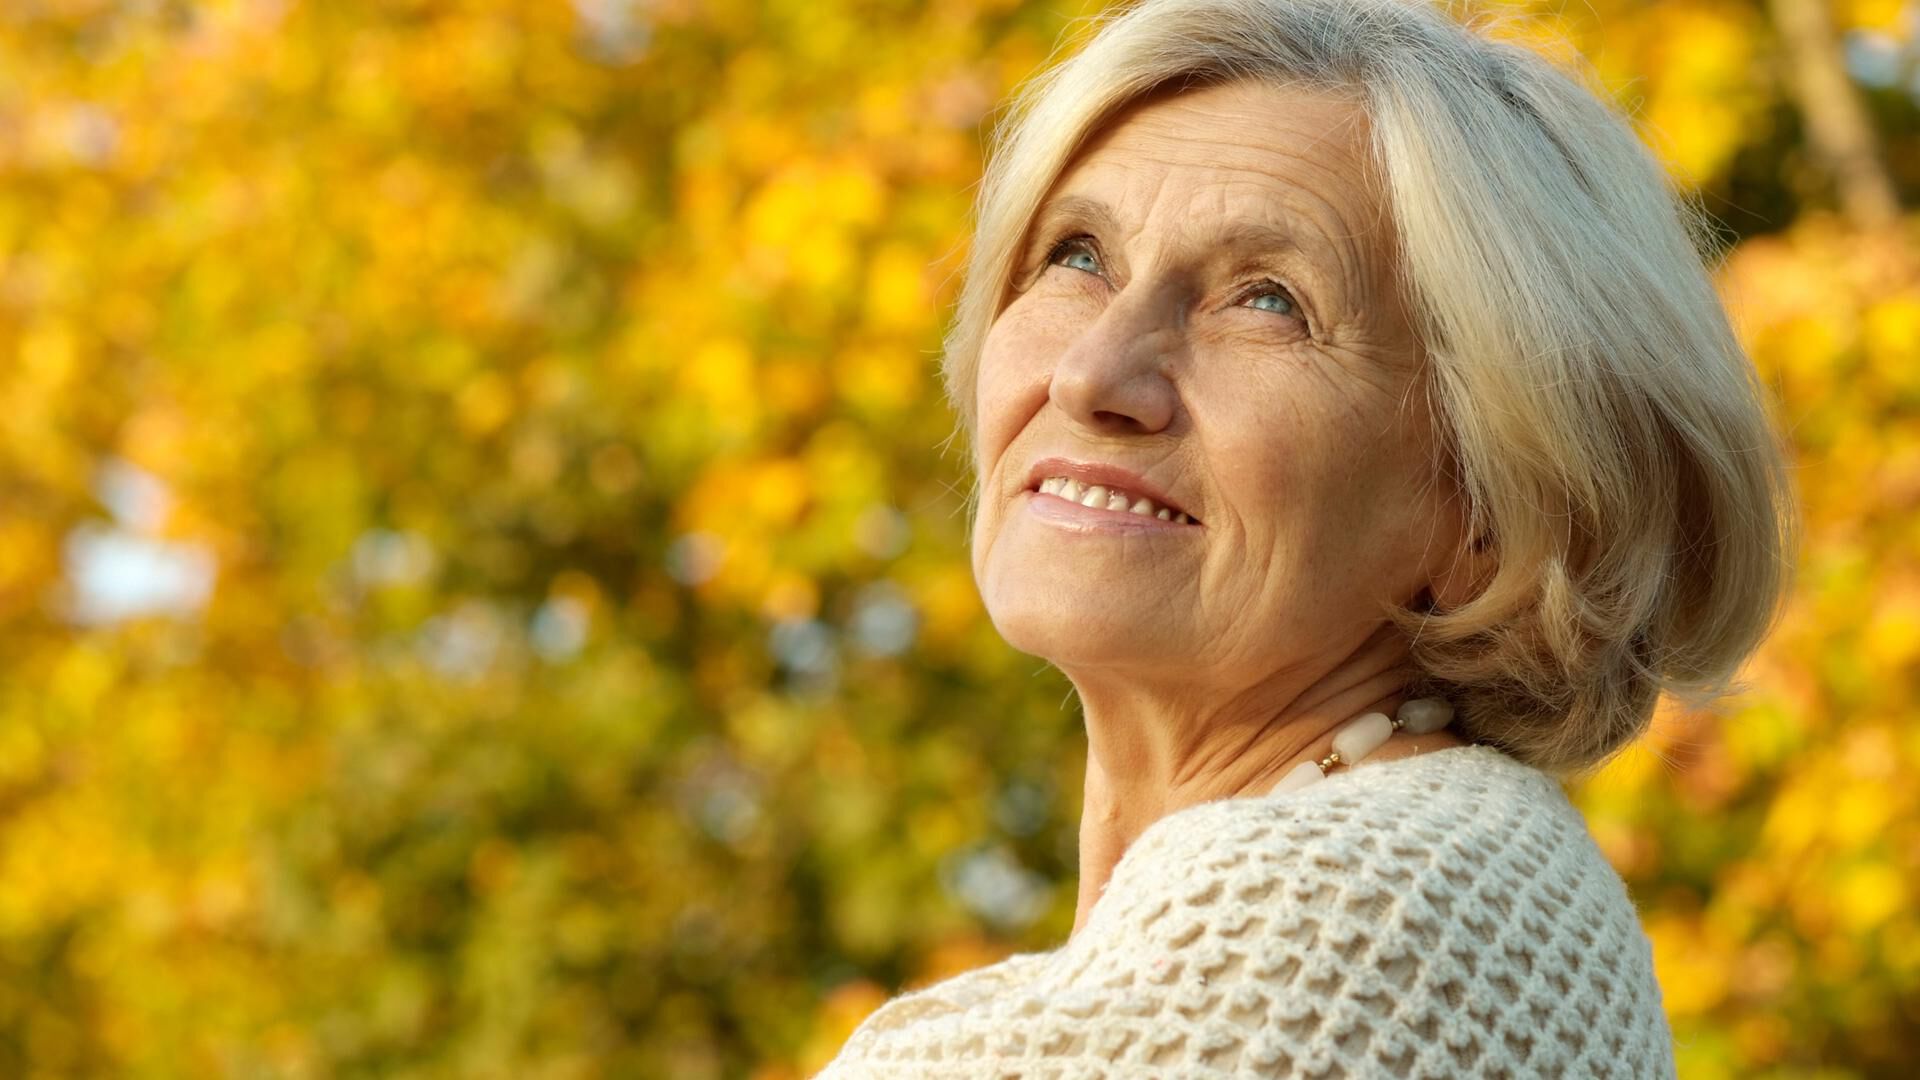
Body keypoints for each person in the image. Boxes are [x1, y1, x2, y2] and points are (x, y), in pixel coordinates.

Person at [818, 0, 1794, 1074]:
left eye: (1269, 301)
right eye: (1078, 256)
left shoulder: (1369, 914)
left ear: (1494, 507)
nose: (1093, 375)